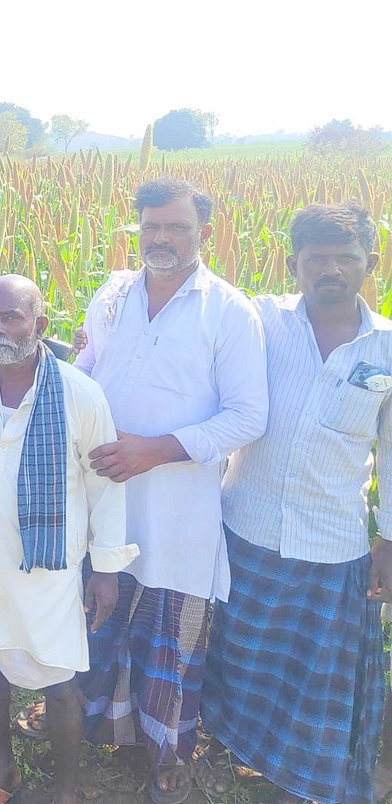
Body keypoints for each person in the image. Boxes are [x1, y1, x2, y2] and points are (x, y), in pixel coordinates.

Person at [53, 178, 268, 803]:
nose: (162, 238)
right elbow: (86, 374)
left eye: (176, 226)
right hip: (108, 499)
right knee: (102, 620)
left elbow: (248, 415)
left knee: (170, 641)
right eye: (151, 227)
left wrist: (158, 448)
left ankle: (166, 757)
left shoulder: (228, 310)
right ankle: (101, 733)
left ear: (205, 230)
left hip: (179, 514)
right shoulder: (114, 294)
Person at [0, 275, 137, 804]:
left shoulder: (80, 394)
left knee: (58, 679)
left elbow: (104, 488)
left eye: (10, 317)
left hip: (48, 569)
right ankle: (2, 769)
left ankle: (65, 788)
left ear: (39, 325)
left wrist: (105, 570)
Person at [200, 203, 392, 804]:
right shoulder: (256, 322)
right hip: (245, 528)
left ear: (372, 263)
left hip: (332, 544)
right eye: (317, 259)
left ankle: (302, 783)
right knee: (242, 665)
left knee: (317, 682)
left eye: (346, 258)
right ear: (293, 264)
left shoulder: (385, 349)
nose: (331, 269)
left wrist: (387, 537)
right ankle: (245, 761)